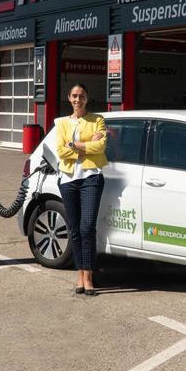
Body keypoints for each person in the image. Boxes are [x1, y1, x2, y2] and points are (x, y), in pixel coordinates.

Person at [56, 83, 108, 296]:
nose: (78, 100)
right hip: (68, 179)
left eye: (82, 96)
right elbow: (61, 151)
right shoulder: (61, 123)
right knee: (75, 230)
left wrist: (74, 145)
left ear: (87, 98)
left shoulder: (97, 120)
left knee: (88, 228)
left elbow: (101, 147)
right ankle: (79, 274)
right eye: (75, 96)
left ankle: (89, 276)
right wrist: (86, 145)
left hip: (91, 178)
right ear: (69, 98)